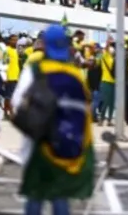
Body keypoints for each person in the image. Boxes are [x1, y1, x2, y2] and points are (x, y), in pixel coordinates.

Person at [12, 25, 95, 214]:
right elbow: (85, 113)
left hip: (38, 143)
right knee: (60, 196)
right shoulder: (74, 74)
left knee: (35, 194)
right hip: (66, 144)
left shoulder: (36, 70)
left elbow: (17, 102)